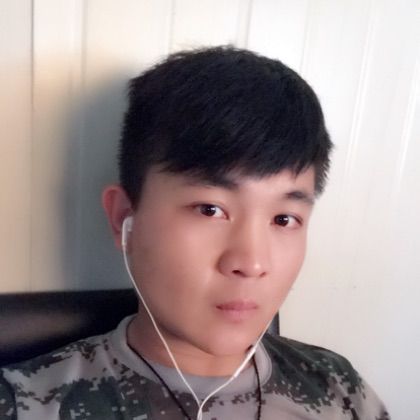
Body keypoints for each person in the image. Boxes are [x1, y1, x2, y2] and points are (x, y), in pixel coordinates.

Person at [0, 46, 390, 420]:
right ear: (123, 218)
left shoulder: (341, 392)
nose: (252, 263)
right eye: (210, 210)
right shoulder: (24, 405)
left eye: (283, 219)